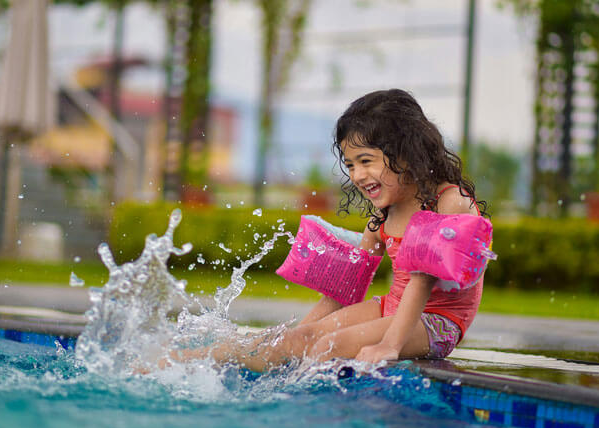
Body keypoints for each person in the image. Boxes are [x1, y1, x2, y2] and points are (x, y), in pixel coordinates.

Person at [164, 88, 488, 373]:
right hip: (391, 308)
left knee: (327, 347)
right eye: (350, 165)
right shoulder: (383, 216)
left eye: (366, 161)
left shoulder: (449, 202)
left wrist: (388, 345)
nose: (358, 175)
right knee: (299, 341)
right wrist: (289, 341)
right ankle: (187, 360)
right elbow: (343, 293)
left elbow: (421, 280)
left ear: (406, 151)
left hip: (436, 322)